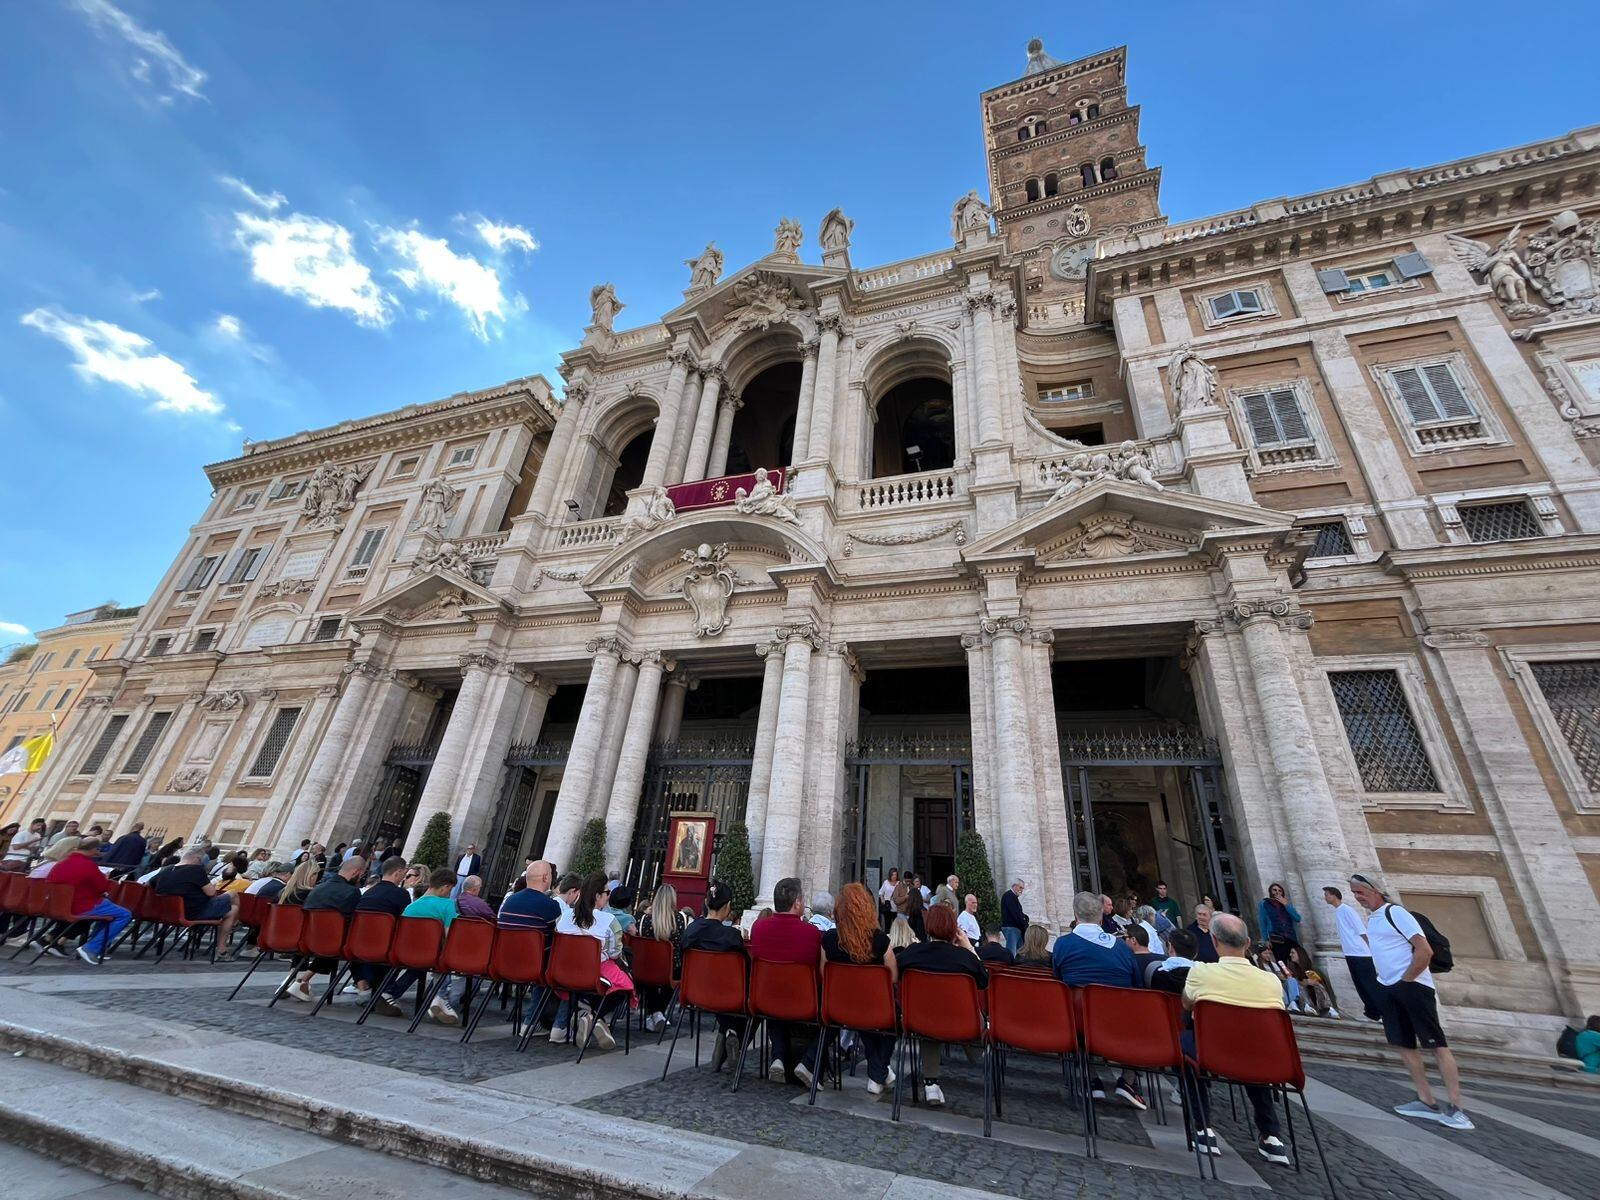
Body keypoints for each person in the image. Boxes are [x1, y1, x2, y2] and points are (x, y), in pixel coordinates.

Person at [1349, 872, 1472, 1130]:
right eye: (1354, 893)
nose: (1357, 897)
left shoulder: (1397, 913)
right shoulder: (1373, 919)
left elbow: (1424, 949)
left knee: (1436, 1044)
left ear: (1375, 890)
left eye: (1360, 892)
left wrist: (1406, 981)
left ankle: (1457, 1107)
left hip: (1413, 986)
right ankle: (1426, 1100)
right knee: (1403, 1044)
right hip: (1389, 987)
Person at [1181, 912, 1293, 1164]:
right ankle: (1271, 1135)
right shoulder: (1271, 981)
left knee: (1186, 1043)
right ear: (1248, 942)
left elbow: (1187, 1005)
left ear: (1214, 941)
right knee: (1254, 1047)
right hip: (1262, 1058)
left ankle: (1202, 1128)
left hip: (1213, 1053)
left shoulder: (1202, 973)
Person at [1052, 890, 1146, 1109]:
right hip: (1120, 1022)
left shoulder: (1063, 945)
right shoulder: (1122, 948)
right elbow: (1138, 987)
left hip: (1078, 1022)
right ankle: (1128, 1080)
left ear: (1075, 914)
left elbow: (1058, 981)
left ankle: (1091, 1077)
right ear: (1102, 917)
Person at [893, 902, 986, 1107]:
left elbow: (894, 973)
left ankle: (931, 1084)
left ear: (928, 927)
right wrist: (968, 946)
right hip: (961, 1023)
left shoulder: (914, 953)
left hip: (921, 1021)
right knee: (950, 1010)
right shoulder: (964, 958)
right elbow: (984, 979)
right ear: (954, 929)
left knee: (930, 1009)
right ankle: (978, 1050)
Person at [819, 881, 898, 1097]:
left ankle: (878, 1072)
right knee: (894, 1017)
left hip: (838, 1007)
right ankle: (878, 1072)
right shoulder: (880, 941)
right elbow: (892, 978)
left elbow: (824, 973)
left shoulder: (829, 939)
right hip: (873, 1009)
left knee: (858, 1014)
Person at [750, 876, 822, 1087]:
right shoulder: (811, 933)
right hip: (803, 1003)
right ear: (797, 903)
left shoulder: (758, 928)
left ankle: (779, 1056)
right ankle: (808, 1062)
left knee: (776, 990)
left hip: (765, 1000)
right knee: (831, 1012)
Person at [557, 872, 631, 1051]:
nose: (608, 897)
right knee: (625, 986)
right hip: (592, 974)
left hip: (561, 972)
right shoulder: (609, 921)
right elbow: (615, 953)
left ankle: (586, 1015)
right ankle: (594, 1016)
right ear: (598, 895)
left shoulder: (565, 916)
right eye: (607, 892)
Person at [679, 880, 746, 1071]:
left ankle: (728, 1033)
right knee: (749, 1006)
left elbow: (681, 960)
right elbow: (744, 969)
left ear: (707, 903)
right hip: (727, 994)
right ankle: (730, 1035)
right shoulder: (731, 936)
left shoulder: (690, 931)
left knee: (717, 990)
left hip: (694, 992)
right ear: (727, 907)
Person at [285, 855, 367, 1004]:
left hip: (309, 939)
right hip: (334, 943)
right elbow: (351, 922)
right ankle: (364, 988)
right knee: (350, 943)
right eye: (362, 874)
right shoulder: (351, 892)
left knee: (336, 940)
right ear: (356, 872)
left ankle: (303, 982)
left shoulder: (318, 888)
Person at [45, 837, 128, 965]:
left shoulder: (61, 863)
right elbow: (102, 887)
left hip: (58, 904)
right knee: (124, 914)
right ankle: (91, 948)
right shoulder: (88, 865)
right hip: (82, 905)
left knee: (110, 912)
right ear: (94, 850)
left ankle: (94, 946)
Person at [154, 847, 238, 946]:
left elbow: (150, 885)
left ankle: (233, 926)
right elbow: (211, 893)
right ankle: (223, 947)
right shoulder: (195, 870)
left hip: (167, 912)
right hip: (193, 913)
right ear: (197, 859)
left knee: (231, 909)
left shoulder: (165, 870)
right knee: (233, 898)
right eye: (202, 861)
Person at [637, 882, 688, 1033]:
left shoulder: (645, 920)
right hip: (671, 969)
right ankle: (658, 1013)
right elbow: (681, 946)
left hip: (647, 969)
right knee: (675, 970)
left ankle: (654, 1014)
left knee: (650, 972)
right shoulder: (680, 919)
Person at [1325, 885, 1381, 1022]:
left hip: (1361, 953)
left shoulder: (1347, 910)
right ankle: (1371, 1013)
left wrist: (1372, 950)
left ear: (1333, 895)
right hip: (1351, 953)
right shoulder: (1338, 911)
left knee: (1369, 984)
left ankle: (1380, 1013)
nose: (1325, 897)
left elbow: (1361, 930)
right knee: (1360, 984)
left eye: (1326, 894)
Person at [499, 860, 560, 931]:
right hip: (535, 942)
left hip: (505, 942)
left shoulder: (509, 900)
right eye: (550, 874)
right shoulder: (550, 904)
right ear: (545, 878)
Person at [1257, 881, 1305, 963]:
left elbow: (1297, 918)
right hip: (1276, 938)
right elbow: (1263, 922)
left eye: (1279, 890)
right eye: (1274, 890)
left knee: (1296, 960)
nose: (1277, 892)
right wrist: (1266, 939)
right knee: (1282, 961)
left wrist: (1286, 905)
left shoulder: (1286, 904)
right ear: (1270, 892)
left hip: (1290, 937)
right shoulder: (1265, 904)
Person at [1000, 880, 1029, 955]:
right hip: (1011, 928)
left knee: (1021, 952)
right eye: (1020, 887)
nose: (1021, 890)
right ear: (1014, 886)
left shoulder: (1013, 897)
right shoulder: (1009, 896)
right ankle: (1010, 966)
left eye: (1022, 888)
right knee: (1011, 952)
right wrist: (1024, 921)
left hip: (1016, 928)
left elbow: (1018, 913)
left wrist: (1025, 917)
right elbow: (1015, 913)